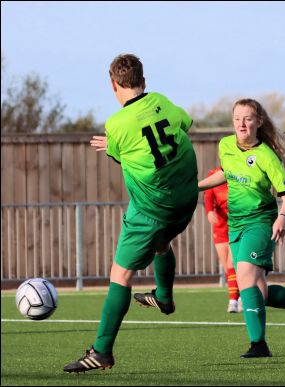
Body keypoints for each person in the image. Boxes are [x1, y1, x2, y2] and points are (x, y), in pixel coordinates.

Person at [64, 54, 199, 372]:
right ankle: (164, 296)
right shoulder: (162, 101)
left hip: (152, 209)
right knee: (162, 243)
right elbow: (184, 125)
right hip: (187, 198)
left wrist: (114, 143)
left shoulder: (117, 125)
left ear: (112, 84)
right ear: (145, 81)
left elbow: (120, 154)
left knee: (120, 275)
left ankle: (101, 351)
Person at [198, 98, 285, 358]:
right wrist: (196, 186)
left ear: (258, 122)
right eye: (237, 118)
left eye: (248, 118)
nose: (242, 124)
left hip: (260, 222)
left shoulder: (266, 156)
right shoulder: (225, 145)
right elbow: (226, 172)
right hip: (235, 224)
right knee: (258, 290)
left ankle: (258, 344)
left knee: (246, 276)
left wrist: (282, 218)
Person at [204, 167, 242, 313]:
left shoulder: (239, 171)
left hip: (237, 223)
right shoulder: (213, 174)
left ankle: (233, 301)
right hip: (220, 226)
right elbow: (208, 196)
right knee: (227, 267)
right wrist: (209, 211)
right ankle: (238, 297)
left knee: (232, 263)